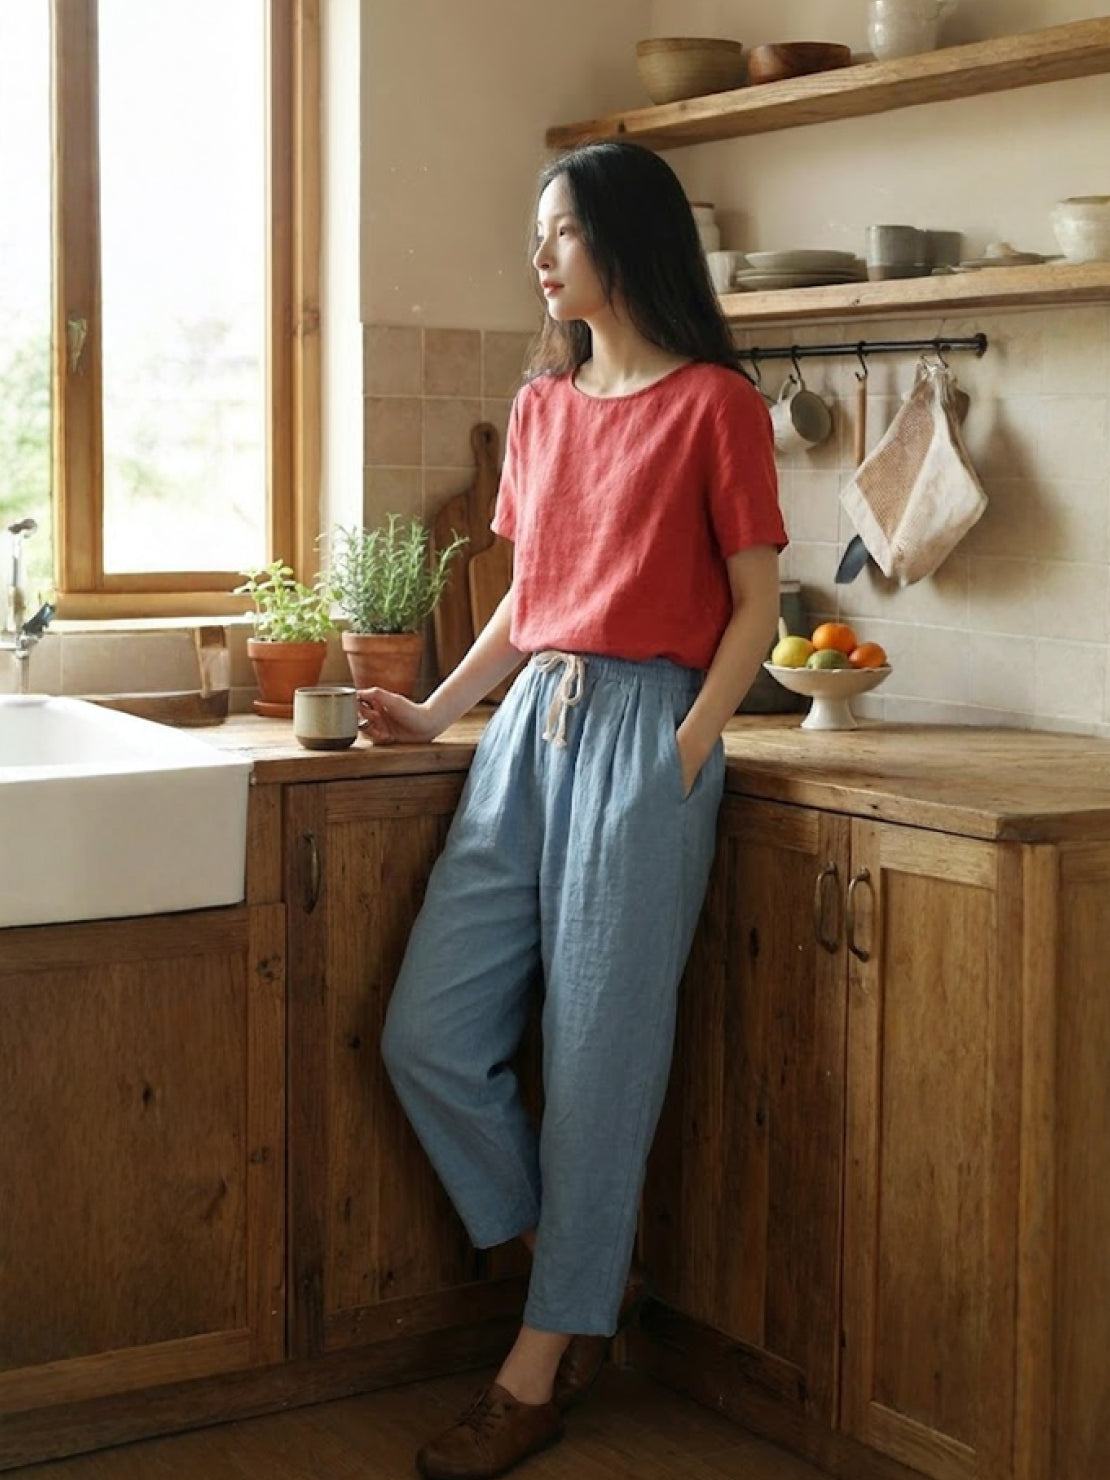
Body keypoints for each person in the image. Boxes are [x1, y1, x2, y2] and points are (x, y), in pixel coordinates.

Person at [357, 139, 789, 1480]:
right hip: (526, 734)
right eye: (537, 232)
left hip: (646, 737)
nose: (538, 255)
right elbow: (527, 599)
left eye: (560, 230)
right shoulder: (541, 407)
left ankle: (533, 1374)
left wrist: (684, 749)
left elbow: (758, 604)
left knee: (600, 1065)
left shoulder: (716, 404)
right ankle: (577, 1277)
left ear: (626, 237)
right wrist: (436, 712)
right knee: (427, 1036)